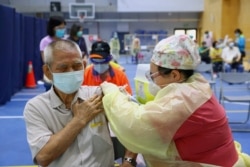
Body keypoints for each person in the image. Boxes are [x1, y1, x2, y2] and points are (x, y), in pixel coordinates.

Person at [100, 35, 250, 166]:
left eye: (152, 76)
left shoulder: (185, 99)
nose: (151, 81)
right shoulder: (195, 84)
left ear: (175, 75)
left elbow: (134, 125)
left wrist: (112, 92)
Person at [24, 40, 114, 167]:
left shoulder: (99, 95)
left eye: (77, 66)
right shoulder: (36, 107)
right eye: (63, 68)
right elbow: (43, 157)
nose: (71, 72)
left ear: (84, 64)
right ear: (48, 72)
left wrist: (129, 160)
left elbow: (135, 118)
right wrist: (79, 120)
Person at [82, 41, 138, 166]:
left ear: (109, 59)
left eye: (102, 61)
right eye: (95, 61)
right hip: (91, 120)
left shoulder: (119, 75)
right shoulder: (85, 74)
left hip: (116, 121)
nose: (98, 65)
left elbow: (128, 101)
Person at [39, 16, 66, 91]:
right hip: (50, 74)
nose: (62, 30)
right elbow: (45, 60)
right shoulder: (45, 41)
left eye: (63, 28)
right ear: (52, 28)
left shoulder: (65, 41)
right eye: (59, 28)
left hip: (63, 75)